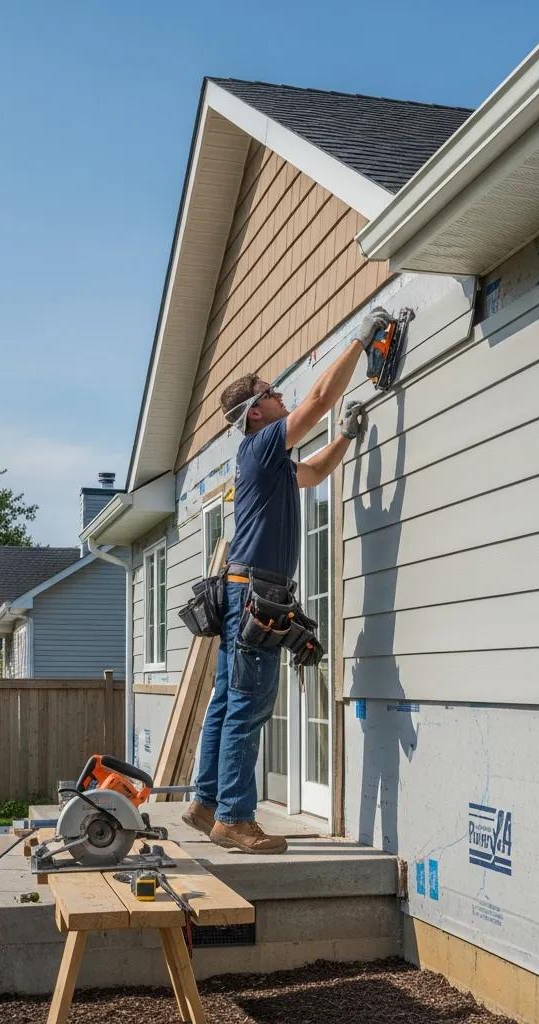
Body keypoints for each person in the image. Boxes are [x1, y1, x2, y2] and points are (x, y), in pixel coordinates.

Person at [181, 306, 391, 853]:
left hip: (239, 588)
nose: (281, 399)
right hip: (254, 592)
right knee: (249, 706)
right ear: (255, 414)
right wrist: (359, 341)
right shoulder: (261, 444)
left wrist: (345, 437)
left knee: (228, 702)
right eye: (272, 394)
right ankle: (235, 818)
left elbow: (316, 472)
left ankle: (206, 802)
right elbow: (318, 400)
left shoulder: (266, 463)